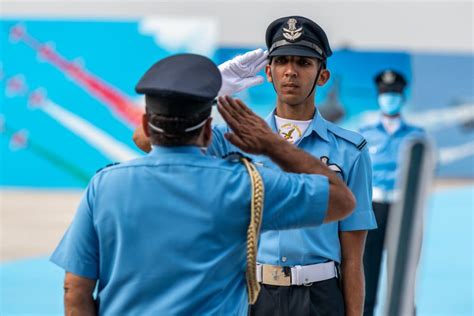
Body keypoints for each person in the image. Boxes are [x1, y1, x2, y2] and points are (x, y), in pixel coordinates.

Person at [50, 53, 356, 315]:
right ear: (210, 130)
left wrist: (212, 87)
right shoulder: (245, 186)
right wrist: (272, 145)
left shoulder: (104, 187)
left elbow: (74, 290)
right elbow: (340, 199)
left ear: (145, 122)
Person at [133, 15, 376, 316]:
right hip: (253, 294)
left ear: (322, 76)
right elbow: (147, 139)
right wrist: (208, 91)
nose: (291, 72)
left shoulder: (351, 150)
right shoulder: (234, 137)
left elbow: (354, 258)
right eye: (282, 61)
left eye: (303, 63)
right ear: (269, 72)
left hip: (321, 297)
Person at [360, 70, 426, 316]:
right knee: (367, 274)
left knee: (404, 275)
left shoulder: (417, 136)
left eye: (395, 93)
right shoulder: (365, 133)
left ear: (403, 97)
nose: (390, 98)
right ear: (378, 96)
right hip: (373, 208)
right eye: (386, 93)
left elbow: (424, 171)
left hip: (403, 208)